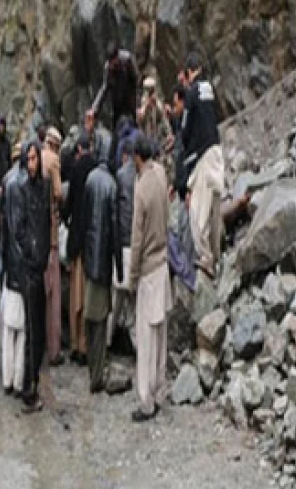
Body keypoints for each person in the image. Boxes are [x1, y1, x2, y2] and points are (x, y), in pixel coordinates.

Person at [5, 141, 52, 413]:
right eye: (30, 159)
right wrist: (33, 255)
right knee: (32, 328)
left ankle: (31, 381)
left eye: (36, 158)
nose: (33, 163)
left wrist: (41, 253)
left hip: (36, 262)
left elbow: (43, 221)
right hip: (28, 265)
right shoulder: (20, 187)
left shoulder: (41, 186)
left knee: (37, 328)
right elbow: (18, 228)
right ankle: (28, 387)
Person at [130, 139, 172, 421]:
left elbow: (136, 238)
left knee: (145, 338)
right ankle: (159, 391)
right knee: (161, 336)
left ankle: (146, 400)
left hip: (147, 269)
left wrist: (132, 275)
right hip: (163, 263)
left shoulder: (141, 187)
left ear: (137, 157)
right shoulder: (161, 175)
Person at [82, 132, 123, 393]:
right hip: (104, 262)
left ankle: (93, 369)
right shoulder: (112, 185)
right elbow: (115, 230)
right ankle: (97, 373)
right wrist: (119, 266)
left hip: (89, 260)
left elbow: (86, 220)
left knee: (90, 319)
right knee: (99, 320)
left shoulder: (90, 181)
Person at [180, 53, 224, 278]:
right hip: (217, 150)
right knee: (215, 209)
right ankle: (216, 256)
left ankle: (206, 258)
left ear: (190, 71)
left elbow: (186, 128)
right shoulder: (210, 89)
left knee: (198, 212)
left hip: (203, 155)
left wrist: (184, 143)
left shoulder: (192, 92)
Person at [63, 134, 96, 365]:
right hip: (92, 240)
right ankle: (88, 343)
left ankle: (76, 343)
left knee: (75, 297)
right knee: (88, 296)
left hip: (76, 240)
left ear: (78, 151)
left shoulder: (75, 170)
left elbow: (69, 206)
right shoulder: (96, 170)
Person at [0, 141, 27, 396]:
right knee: (23, 331)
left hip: (10, 265)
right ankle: (18, 380)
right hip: (25, 269)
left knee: (8, 329)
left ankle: (7, 379)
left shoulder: (7, 184)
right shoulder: (29, 186)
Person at [41, 127, 66, 365]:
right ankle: (54, 347)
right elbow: (58, 192)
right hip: (50, 232)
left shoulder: (35, 157)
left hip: (35, 234)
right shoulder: (53, 162)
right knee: (53, 292)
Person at [113, 132, 138, 346]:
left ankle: (109, 340)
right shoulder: (140, 176)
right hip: (136, 242)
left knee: (116, 297)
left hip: (122, 243)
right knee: (133, 298)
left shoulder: (120, 176)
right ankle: (136, 344)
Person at [90, 43, 140, 131]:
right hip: (117, 101)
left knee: (133, 125)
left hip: (130, 98)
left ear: (117, 57)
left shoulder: (127, 59)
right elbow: (104, 88)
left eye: (114, 61)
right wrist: (94, 109)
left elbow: (136, 80)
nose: (112, 64)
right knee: (116, 126)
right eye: (110, 62)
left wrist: (138, 104)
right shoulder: (108, 68)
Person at [138, 77, 173, 155]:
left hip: (157, 139)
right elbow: (140, 119)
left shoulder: (157, 103)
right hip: (145, 139)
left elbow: (164, 119)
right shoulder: (141, 102)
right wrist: (146, 105)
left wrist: (169, 133)